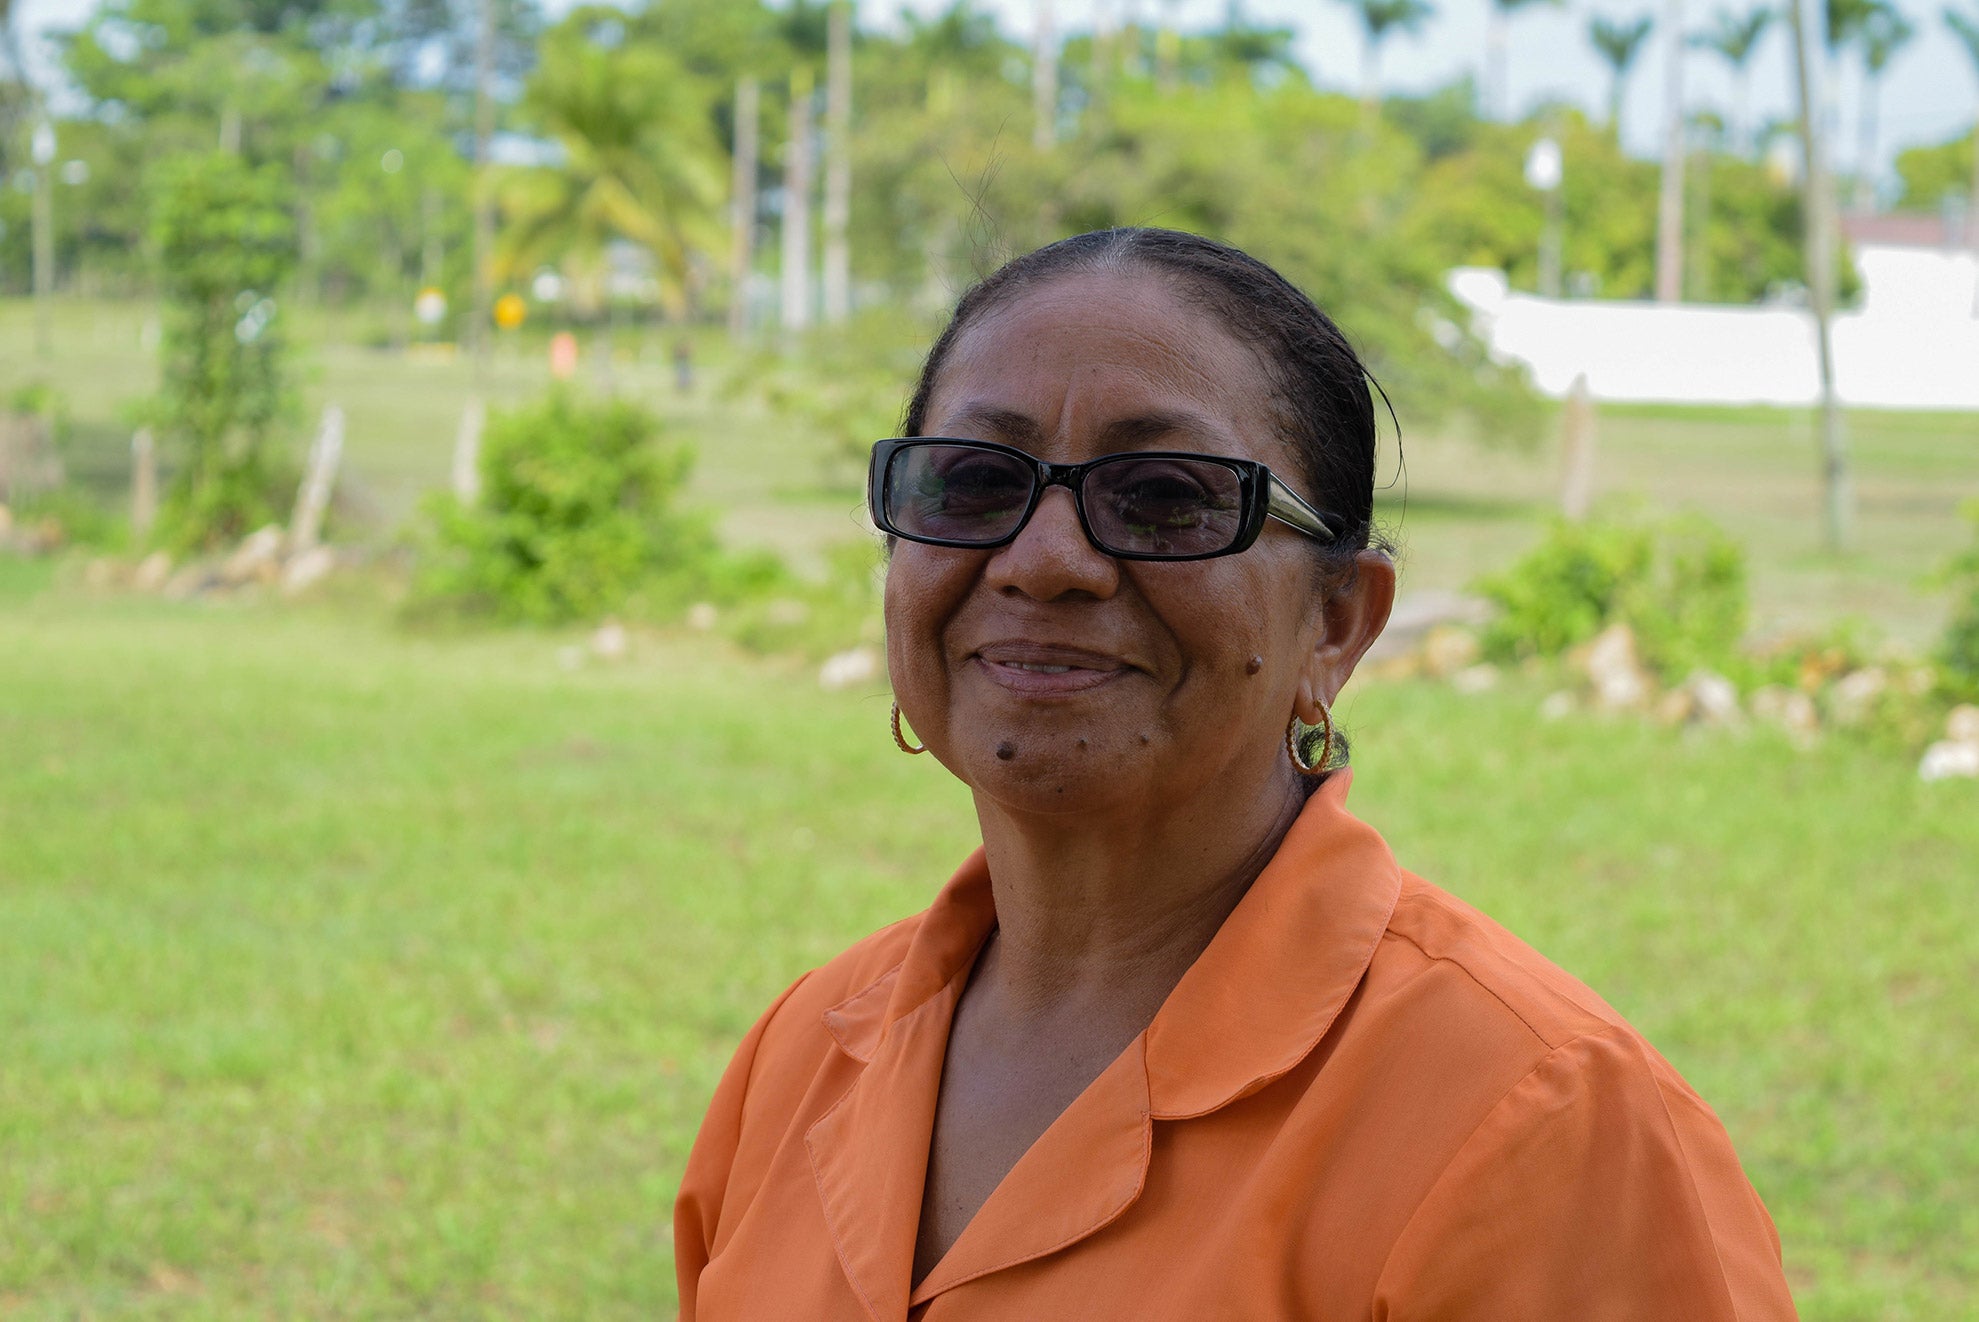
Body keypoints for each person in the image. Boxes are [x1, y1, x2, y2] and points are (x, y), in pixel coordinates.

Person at [674, 229, 1797, 1320]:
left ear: (1337, 621)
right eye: (971, 483)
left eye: (1164, 496)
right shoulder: (807, 1051)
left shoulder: (1539, 1117)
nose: (1044, 559)